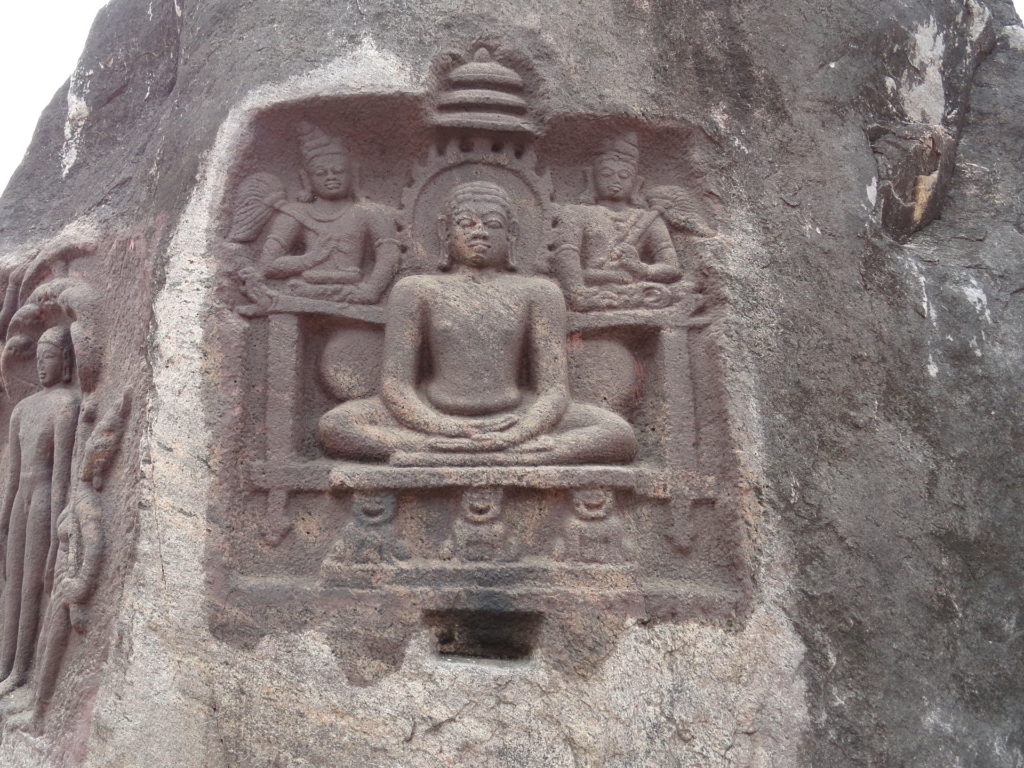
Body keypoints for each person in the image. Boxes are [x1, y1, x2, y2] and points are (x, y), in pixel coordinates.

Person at [318, 181, 636, 466]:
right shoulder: (415, 290)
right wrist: (442, 427)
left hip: (515, 416)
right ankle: (464, 449)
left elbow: (553, 391)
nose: (480, 232)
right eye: (466, 223)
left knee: (616, 433)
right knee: (336, 426)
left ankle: (451, 452)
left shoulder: (539, 292)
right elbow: (396, 386)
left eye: (492, 224)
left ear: (511, 233)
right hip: (431, 415)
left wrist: (520, 431)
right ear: (445, 232)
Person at [0, 326, 79, 697]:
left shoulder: (66, 404)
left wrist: (55, 538)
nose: (41, 366)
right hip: (22, 499)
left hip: (45, 497)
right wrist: (3, 519)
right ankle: (4, 665)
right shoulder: (22, 409)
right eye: (38, 359)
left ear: (65, 362)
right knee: (12, 582)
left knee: (33, 583)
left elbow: (62, 474)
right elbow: (12, 475)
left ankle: (21, 670)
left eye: (49, 357)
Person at [240, 122, 401, 305]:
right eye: (321, 173)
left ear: (353, 174)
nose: (331, 177)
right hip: (303, 289)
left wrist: (372, 289)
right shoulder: (295, 213)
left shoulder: (369, 212)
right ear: (307, 179)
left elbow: (389, 254)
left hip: (352, 290)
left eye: (338, 171)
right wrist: (311, 258)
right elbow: (267, 265)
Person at [552, 133, 683, 309]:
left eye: (624, 176)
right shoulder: (576, 213)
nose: (615, 180)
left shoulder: (649, 219)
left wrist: (642, 269)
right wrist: (578, 293)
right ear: (592, 177)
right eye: (606, 174)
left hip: (637, 289)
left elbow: (672, 268)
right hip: (590, 288)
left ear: (636, 182)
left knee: (677, 294)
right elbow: (566, 256)